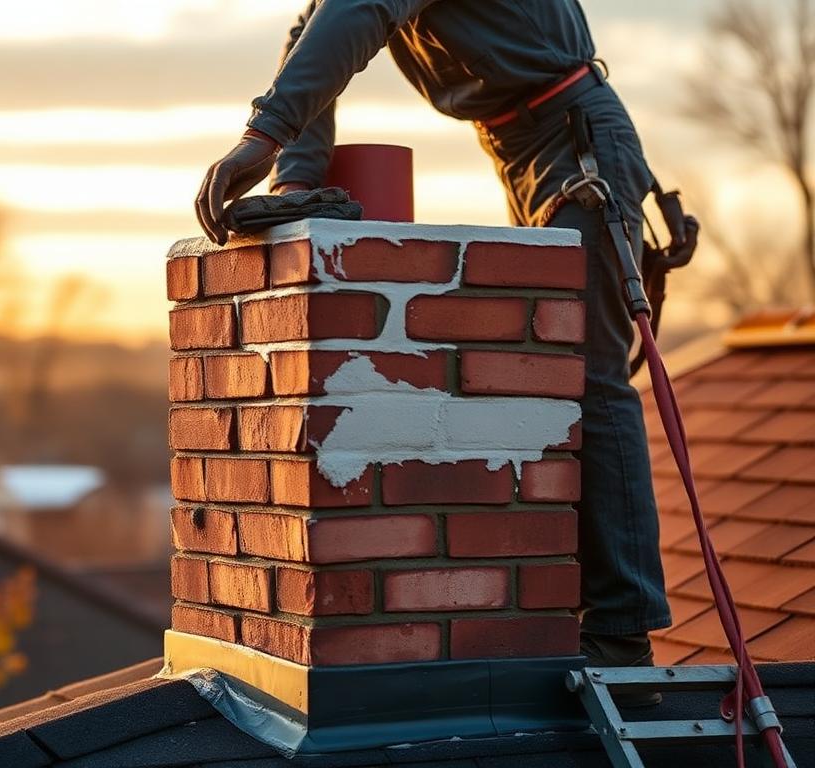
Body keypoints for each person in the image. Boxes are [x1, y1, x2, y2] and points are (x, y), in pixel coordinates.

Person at [195, 0, 671, 673]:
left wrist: (264, 134)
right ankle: (567, 609)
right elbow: (316, 26)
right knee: (557, 375)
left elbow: (360, 9)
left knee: (588, 376)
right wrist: (296, 176)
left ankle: (623, 633)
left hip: (577, 142)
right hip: (525, 144)